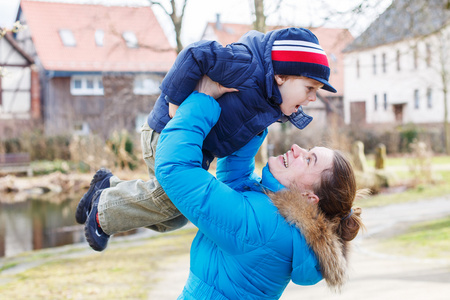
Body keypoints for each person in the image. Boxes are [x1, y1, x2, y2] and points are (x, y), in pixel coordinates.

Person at [75, 27, 338, 251]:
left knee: (178, 216)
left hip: (195, 150)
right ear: (281, 75)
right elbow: (195, 54)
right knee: (170, 203)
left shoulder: (272, 101)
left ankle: (109, 185)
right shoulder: (244, 65)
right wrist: (175, 102)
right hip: (168, 133)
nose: (313, 98)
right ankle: (103, 210)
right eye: (310, 88)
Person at [155, 90, 366, 299]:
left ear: (309, 198)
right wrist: (256, 118)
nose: (295, 148)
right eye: (307, 149)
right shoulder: (284, 220)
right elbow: (237, 181)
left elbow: (175, 169)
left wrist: (203, 100)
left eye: (309, 159)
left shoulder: (267, 227)